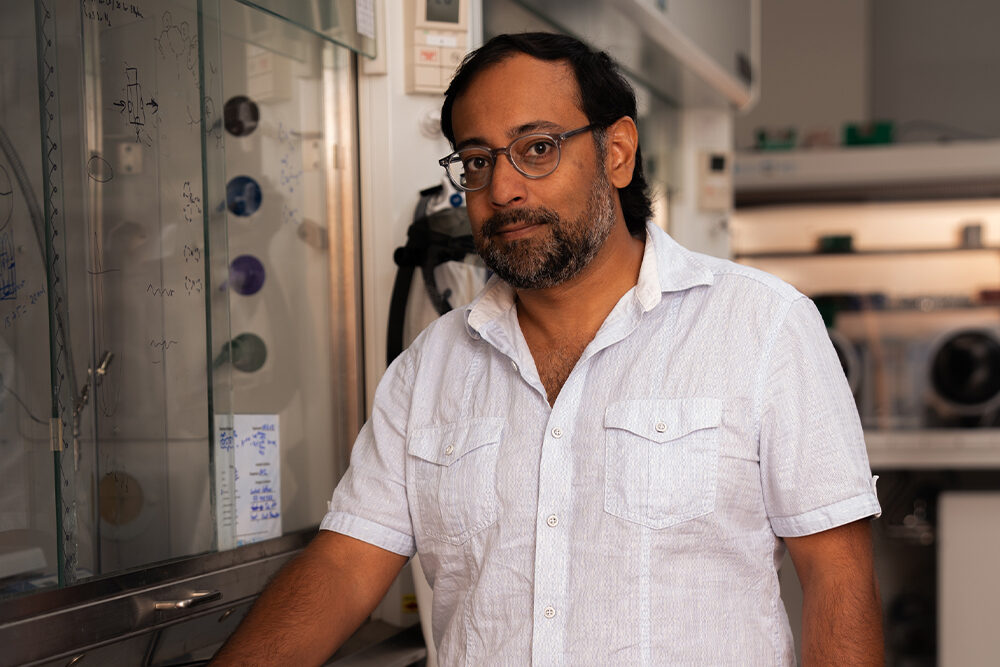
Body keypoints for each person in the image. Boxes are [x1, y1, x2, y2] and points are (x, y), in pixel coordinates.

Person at [211, 32, 883, 666]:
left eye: (537, 148)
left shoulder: (762, 325)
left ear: (617, 153)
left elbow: (836, 576)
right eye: (478, 161)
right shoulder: (430, 368)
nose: (503, 188)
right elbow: (343, 567)